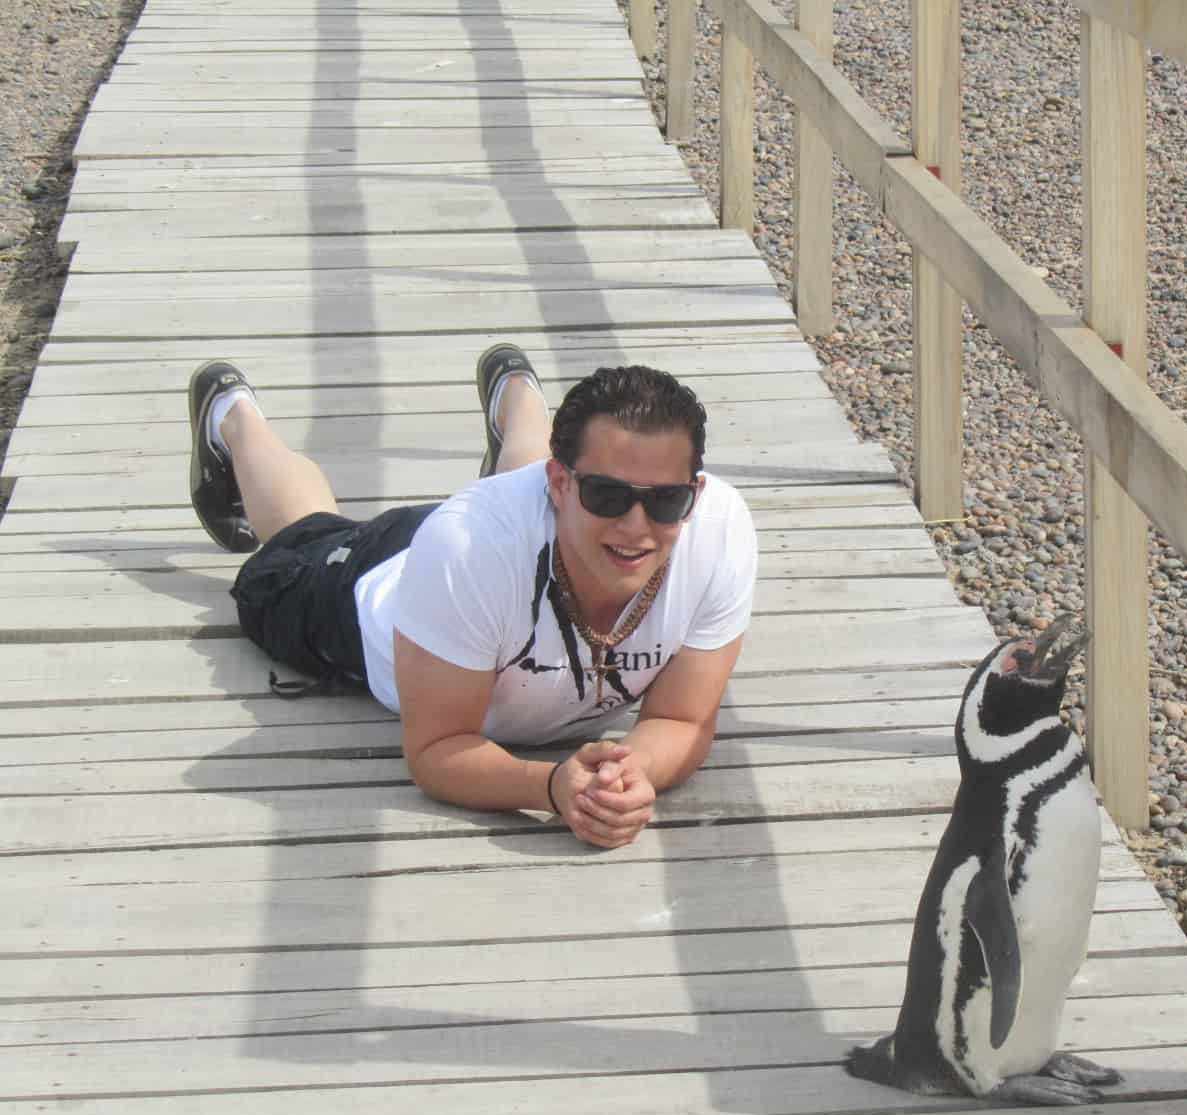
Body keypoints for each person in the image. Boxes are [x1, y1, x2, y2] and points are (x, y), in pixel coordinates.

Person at [186, 346, 758, 849]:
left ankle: (517, 395)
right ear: (560, 485)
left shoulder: (719, 530)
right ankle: (232, 417)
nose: (636, 525)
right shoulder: (466, 550)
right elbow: (437, 748)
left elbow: (684, 719)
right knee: (301, 533)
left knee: (544, 529)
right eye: (608, 494)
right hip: (370, 585)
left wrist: (629, 775)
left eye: (665, 502)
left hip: (501, 551)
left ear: (695, 494)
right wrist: (553, 788)